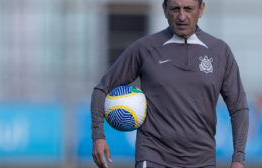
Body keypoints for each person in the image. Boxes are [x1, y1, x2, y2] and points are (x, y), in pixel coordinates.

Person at [91, 0, 249, 167]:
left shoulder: (220, 51)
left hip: (202, 160)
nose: (182, 16)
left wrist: (238, 158)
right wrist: (98, 136)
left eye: (188, 9)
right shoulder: (145, 48)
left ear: (201, 9)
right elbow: (102, 89)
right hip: (153, 156)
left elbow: (238, 107)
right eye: (175, 9)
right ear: (165, 9)